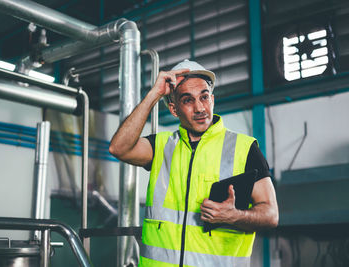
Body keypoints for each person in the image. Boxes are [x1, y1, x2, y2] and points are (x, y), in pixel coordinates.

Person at [109, 59, 279, 267]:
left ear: (212, 99)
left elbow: (271, 215)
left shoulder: (244, 148)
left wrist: (234, 216)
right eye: (188, 100)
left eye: (204, 97)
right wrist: (153, 95)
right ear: (174, 109)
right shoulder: (161, 146)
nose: (200, 108)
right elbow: (118, 148)